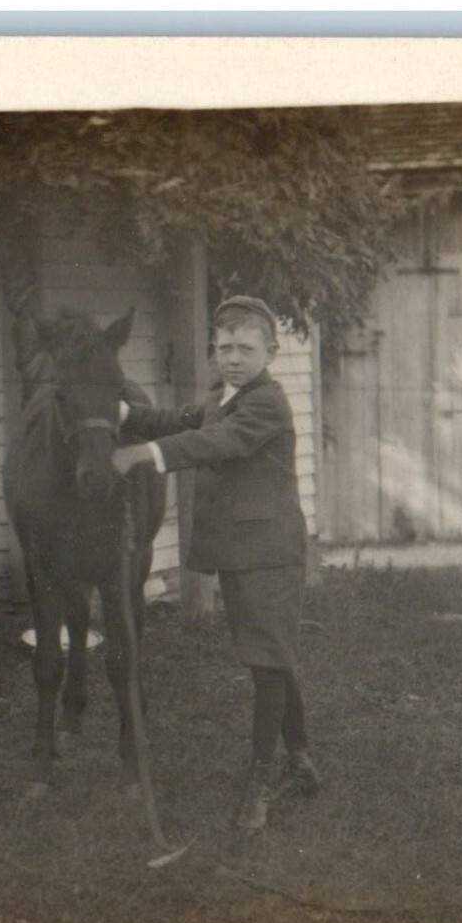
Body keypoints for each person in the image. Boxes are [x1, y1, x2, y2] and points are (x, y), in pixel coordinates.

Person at [111, 295, 319, 831]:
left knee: (268, 658)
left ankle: (260, 779)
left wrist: (147, 456)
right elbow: (166, 418)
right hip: (241, 552)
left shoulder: (267, 403)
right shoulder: (218, 398)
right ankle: (300, 761)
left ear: (270, 352)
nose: (232, 358)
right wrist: (118, 413)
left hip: (272, 553)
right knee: (270, 653)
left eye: (245, 349)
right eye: (224, 347)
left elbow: (217, 442)